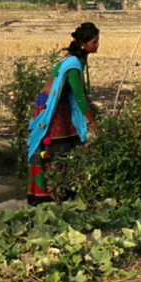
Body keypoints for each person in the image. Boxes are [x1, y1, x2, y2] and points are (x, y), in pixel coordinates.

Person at [27, 22, 101, 206]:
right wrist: (93, 122)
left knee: (68, 146)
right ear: (84, 44)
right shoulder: (73, 64)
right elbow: (79, 96)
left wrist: (93, 107)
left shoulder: (77, 60)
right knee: (53, 149)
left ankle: (62, 192)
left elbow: (81, 93)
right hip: (53, 108)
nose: (97, 45)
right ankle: (47, 196)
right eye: (95, 41)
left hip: (62, 106)